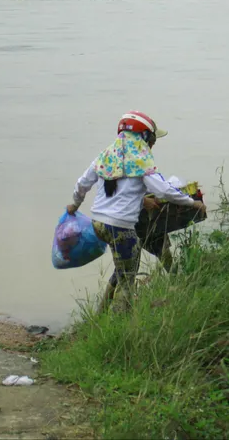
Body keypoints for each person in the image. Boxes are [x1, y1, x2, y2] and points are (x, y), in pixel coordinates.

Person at [66, 111, 206, 313]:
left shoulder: (107, 156)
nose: (154, 144)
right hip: (120, 228)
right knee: (128, 279)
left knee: (123, 269)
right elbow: (164, 190)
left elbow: (84, 184)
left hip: (97, 224)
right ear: (145, 137)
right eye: (153, 139)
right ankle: (118, 323)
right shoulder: (140, 162)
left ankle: (101, 314)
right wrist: (192, 204)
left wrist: (75, 205)